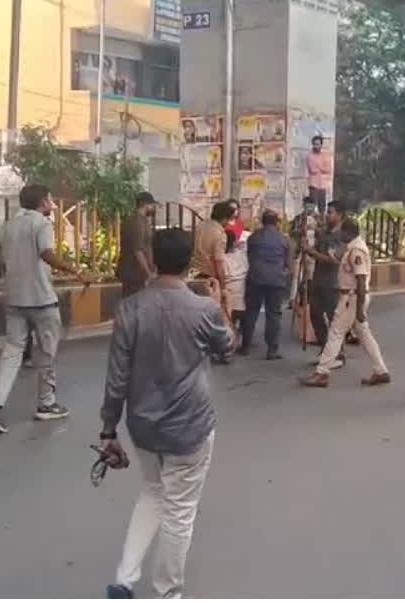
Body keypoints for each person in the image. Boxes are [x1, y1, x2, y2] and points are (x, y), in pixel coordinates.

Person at [99, 228, 233, 599]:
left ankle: (124, 580)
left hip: (143, 427)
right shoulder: (202, 309)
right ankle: (166, 594)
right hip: (190, 428)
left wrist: (108, 430)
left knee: (153, 492)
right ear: (189, 263)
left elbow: (117, 377)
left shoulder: (129, 308)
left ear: (154, 261)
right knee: (179, 512)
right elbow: (227, 348)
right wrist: (220, 302)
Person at [0, 184, 94, 433]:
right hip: (41, 299)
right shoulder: (41, 223)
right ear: (43, 202)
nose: (52, 204)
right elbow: (47, 253)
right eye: (50, 199)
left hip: (15, 298)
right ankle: (46, 404)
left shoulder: (8, 226)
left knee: (12, 352)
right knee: (47, 353)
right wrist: (78, 271)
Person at [300, 219, 390, 388]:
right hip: (352, 297)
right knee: (364, 334)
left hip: (352, 297)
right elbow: (333, 258)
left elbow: (361, 280)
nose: (340, 234)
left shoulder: (357, 251)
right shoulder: (350, 247)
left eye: (342, 231)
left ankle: (322, 373)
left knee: (335, 332)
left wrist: (360, 309)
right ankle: (380, 370)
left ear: (348, 232)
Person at [302, 201, 347, 367]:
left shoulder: (341, 236)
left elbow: (332, 260)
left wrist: (311, 251)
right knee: (314, 314)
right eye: (327, 212)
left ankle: (338, 353)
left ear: (340, 215)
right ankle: (326, 348)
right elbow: (315, 251)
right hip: (319, 279)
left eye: (331, 212)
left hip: (333, 282)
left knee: (333, 319)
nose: (327, 215)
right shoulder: (325, 233)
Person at [241, 210, 291, 360]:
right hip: (276, 280)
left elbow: (249, 256)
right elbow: (287, 263)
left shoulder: (253, 237)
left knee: (251, 311)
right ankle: (272, 349)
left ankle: (246, 345)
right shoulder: (283, 240)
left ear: (262, 221)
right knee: (274, 314)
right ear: (277, 222)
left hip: (256, 278)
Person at [190, 202, 235, 316]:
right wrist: (223, 287)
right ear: (225, 218)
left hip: (194, 273)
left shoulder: (201, 225)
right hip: (209, 278)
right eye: (230, 219)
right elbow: (218, 262)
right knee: (210, 313)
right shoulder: (219, 234)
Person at [117, 192, 158, 298]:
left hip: (138, 273)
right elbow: (138, 250)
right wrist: (148, 273)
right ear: (145, 205)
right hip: (134, 273)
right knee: (134, 304)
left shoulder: (141, 221)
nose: (154, 208)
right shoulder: (137, 223)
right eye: (152, 205)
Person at [288, 197, 320, 306]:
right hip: (300, 250)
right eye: (307, 205)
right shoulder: (298, 218)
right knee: (297, 275)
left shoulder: (319, 219)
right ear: (303, 205)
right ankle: (293, 299)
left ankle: (307, 298)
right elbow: (291, 232)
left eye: (311, 205)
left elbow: (324, 233)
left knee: (310, 276)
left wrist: (315, 229)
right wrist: (301, 229)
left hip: (313, 252)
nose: (309, 207)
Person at [223, 229, 250, 345]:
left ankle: (229, 343)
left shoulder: (221, 259)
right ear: (234, 242)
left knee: (228, 321)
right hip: (243, 290)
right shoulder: (242, 255)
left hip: (228, 291)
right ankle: (244, 343)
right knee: (244, 319)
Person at [307, 135, 333, 208]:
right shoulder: (310, 156)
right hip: (313, 184)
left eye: (318, 144)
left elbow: (328, 169)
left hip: (322, 185)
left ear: (321, 145)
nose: (316, 146)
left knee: (322, 207)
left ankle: (321, 219)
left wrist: (319, 167)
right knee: (311, 206)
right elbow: (313, 170)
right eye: (315, 144)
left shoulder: (325, 155)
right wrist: (322, 167)